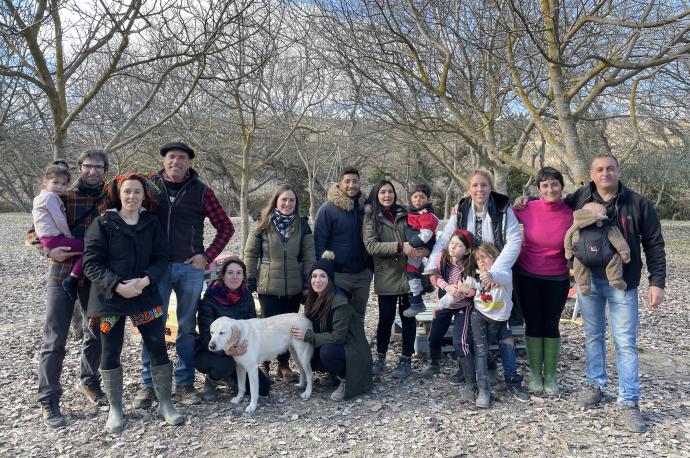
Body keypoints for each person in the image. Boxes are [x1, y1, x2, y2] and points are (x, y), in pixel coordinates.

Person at [518, 154, 666, 432]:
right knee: (592, 336)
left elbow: (655, 244)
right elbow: (551, 203)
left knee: (624, 341)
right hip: (588, 282)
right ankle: (596, 385)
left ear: (619, 171)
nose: (605, 173)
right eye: (599, 169)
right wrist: (522, 200)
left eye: (610, 168)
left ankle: (629, 401)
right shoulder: (580, 197)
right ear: (591, 173)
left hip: (623, 283)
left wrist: (657, 281)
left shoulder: (637, 203)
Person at [135, 141, 234, 408]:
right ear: (164, 160)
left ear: (189, 163)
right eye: (171, 157)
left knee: (187, 328)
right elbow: (125, 213)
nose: (176, 162)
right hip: (155, 269)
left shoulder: (201, 191)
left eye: (182, 158)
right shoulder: (149, 187)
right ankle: (149, 384)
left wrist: (207, 256)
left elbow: (225, 227)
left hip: (189, 269)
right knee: (152, 325)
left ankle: (185, 383)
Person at [83, 172, 184, 433]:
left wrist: (145, 281)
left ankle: (165, 403)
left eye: (137, 191)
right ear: (119, 193)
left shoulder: (151, 223)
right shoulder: (103, 223)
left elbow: (161, 257)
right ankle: (116, 408)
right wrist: (118, 285)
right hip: (109, 300)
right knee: (110, 350)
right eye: (127, 191)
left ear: (144, 195)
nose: (132, 196)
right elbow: (91, 263)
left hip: (145, 295)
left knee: (157, 346)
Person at [426, 170, 522, 385]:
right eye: (475, 185)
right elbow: (445, 240)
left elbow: (513, 241)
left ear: (491, 187)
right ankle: (468, 368)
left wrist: (493, 272)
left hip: (493, 271)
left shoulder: (502, 209)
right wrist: (433, 267)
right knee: (468, 321)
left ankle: (498, 370)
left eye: (484, 185)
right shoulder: (461, 210)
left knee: (491, 320)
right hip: (465, 272)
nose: (480, 190)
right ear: (468, 189)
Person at [37, 149, 109, 428]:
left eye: (98, 167)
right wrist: (47, 252)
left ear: (105, 170)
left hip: (96, 274)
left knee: (97, 330)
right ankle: (48, 397)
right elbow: (36, 230)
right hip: (62, 271)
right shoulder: (61, 194)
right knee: (55, 336)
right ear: (80, 167)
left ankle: (89, 381)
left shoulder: (110, 197)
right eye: (88, 166)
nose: (93, 171)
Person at [243, 184, 315, 382]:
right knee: (267, 326)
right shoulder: (263, 223)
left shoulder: (302, 224)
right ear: (276, 201)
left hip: (294, 284)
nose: (287, 203)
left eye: (291, 200)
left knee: (287, 328)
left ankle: (283, 366)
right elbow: (250, 253)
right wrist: (250, 277)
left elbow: (309, 254)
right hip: (268, 285)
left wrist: (308, 282)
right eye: (284, 199)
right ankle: (264, 365)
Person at [512, 167, 573, 396]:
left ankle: (550, 376)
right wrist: (461, 208)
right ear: (538, 188)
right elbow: (497, 214)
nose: (550, 189)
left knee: (551, 323)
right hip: (527, 275)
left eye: (554, 184)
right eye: (545, 185)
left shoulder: (571, 212)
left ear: (561, 187)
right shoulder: (527, 208)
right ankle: (536, 374)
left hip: (557, 276)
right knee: (534, 323)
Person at [291, 252, 373, 401]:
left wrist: (308, 336)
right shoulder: (313, 298)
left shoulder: (339, 301)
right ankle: (333, 374)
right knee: (310, 354)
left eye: (323, 276)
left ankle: (346, 380)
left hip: (353, 352)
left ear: (330, 279)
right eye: (314, 276)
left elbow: (338, 338)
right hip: (339, 347)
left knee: (327, 352)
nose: (317, 280)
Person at [363, 180, 424, 379]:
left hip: (409, 273)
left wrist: (422, 248)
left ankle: (406, 359)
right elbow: (371, 246)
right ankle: (380, 357)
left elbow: (422, 229)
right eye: (383, 192)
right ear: (376, 195)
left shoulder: (406, 213)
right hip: (387, 275)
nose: (387, 195)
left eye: (390, 192)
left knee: (408, 318)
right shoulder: (371, 217)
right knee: (386, 318)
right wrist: (399, 246)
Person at [195, 257, 270, 401]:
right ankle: (212, 382)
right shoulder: (210, 299)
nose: (234, 277)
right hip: (212, 352)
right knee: (226, 364)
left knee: (264, 389)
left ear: (243, 276)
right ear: (222, 275)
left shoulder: (246, 295)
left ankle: (232, 378)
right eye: (230, 273)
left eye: (238, 273)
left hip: (241, 351)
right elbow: (205, 337)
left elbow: (253, 326)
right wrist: (228, 350)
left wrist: (245, 349)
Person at [465, 243, 530, 408]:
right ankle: (483, 389)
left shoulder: (505, 273)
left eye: (485, 257)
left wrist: (492, 276)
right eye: (478, 259)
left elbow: (503, 278)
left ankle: (512, 379)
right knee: (480, 348)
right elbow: (468, 287)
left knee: (507, 343)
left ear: (496, 257)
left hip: (500, 318)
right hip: (479, 315)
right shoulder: (474, 276)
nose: (481, 262)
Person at [313, 166, 372, 321]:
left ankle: (357, 344)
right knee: (337, 315)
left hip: (362, 273)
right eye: (347, 181)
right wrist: (325, 270)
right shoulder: (327, 209)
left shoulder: (365, 208)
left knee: (359, 316)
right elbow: (319, 242)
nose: (351, 185)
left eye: (355, 181)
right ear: (339, 184)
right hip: (338, 273)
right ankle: (337, 344)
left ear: (360, 183)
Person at [424, 229, 476, 402]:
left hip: (463, 305)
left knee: (460, 340)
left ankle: (468, 378)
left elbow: (475, 289)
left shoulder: (471, 264)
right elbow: (434, 276)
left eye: (459, 245)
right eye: (452, 243)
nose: (454, 247)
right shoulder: (442, 258)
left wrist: (466, 292)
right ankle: (434, 363)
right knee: (434, 335)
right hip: (444, 302)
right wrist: (446, 287)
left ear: (467, 250)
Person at [32, 164, 84, 300]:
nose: (59, 187)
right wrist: (68, 236)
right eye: (55, 182)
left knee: (88, 250)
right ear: (45, 182)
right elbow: (59, 219)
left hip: (48, 238)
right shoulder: (50, 198)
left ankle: (73, 278)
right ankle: (72, 280)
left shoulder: (39, 199)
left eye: (63, 184)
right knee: (91, 249)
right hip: (55, 238)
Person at [565, 202, 631, 294]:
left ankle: (584, 286)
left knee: (579, 267)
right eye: (603, 214)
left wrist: (568, 253)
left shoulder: (576, 226)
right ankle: (615, 279)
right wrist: (625, 255)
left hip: (582, 257)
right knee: (615, 259)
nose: (606, 216)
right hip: (607, 256)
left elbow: (567, 238)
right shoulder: (608, 226)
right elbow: (620, 243)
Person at [402, 183, 439, 317]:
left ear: (428, 199)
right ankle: (417, 302)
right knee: (412, 273)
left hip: (420, 247)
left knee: (415, 273)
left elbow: (426, 234)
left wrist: (412, 245)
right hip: (414, 247)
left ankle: (419, 300)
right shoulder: (410, 212)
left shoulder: (428, 216)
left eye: (422, 197)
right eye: (415, 197)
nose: (418, 200)